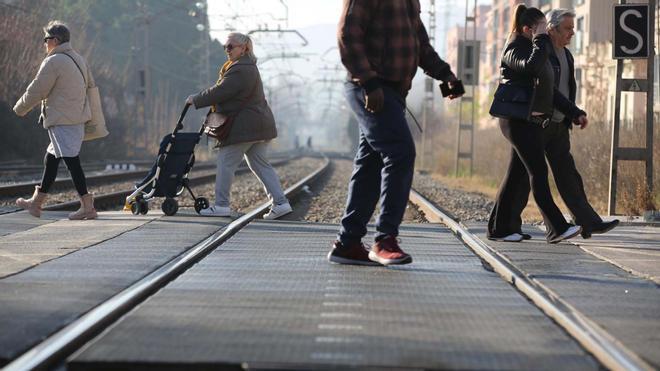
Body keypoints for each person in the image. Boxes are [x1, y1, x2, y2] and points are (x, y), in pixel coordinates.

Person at [328, 0, 462, 266]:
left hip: (393, 92)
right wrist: (368, 81)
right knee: (400, 153)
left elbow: (419, 44)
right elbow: (347, 35)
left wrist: (445, 74)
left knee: (370, 163)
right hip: (370, 89)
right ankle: (385, 239)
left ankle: (348, 243)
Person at [500, 8, 619, 240]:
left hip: (557, 123)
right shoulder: (532, 51)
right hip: (536, 122)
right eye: (567, 28)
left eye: (574, 28)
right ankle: (518, 227)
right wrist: (540, 41)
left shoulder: (567, 55)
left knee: (566, 174)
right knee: (526, 177)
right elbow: (543, 84)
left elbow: (558, 91)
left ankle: (587, 222)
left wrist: (574, 113)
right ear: (550, 30)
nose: (572, 33)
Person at [487, 5, 585, 244]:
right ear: (527, 29)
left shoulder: (534, 48)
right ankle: (557, 228)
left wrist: (573, 112)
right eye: (540, 28)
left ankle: (500, 229)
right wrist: (541, 39)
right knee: (538, 172)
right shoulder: (513, 48)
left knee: (516, 174)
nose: (544, 33)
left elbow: (548, 89)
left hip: (528, 119)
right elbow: (530, 66)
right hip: (515, 120)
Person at [186, 32, 291, 220]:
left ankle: (221, 205)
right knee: (260, 164)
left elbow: (222, 91)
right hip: (258, 125)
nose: (227, 50)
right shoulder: (246, 67)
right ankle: (281, 203)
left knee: (226, 162)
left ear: (244, 48)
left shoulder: (241, 69)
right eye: (225, 47)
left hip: (245, 126)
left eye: (231, 46)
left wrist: (197, 99)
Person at [13, 20, 97, 220]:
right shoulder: (78, 59)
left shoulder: (54, 61)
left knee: (71, 161)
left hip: (63, 120)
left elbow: (38, 88)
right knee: (51, 159)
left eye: (46, 39)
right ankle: (36, 203)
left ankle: (87, 206)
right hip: (74, 118)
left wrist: (19, 108)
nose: (44, 43)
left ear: (55, 40)